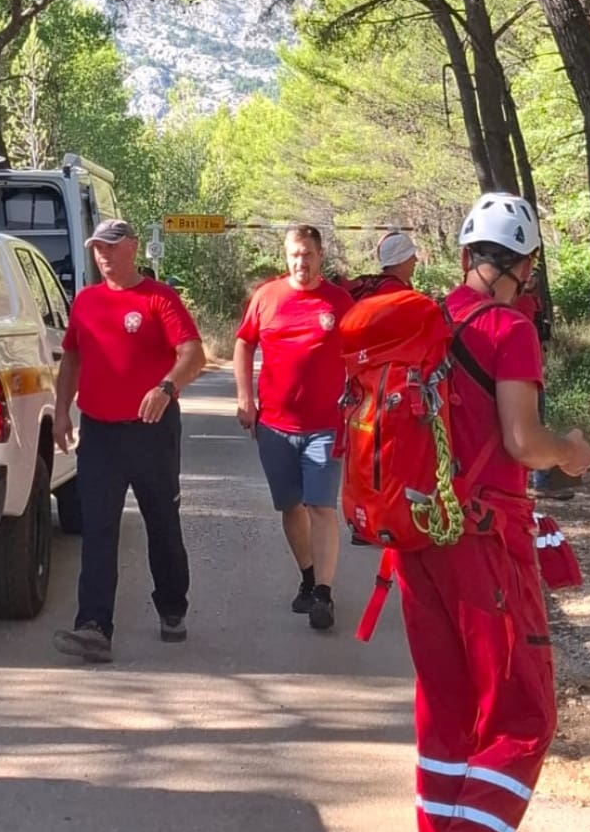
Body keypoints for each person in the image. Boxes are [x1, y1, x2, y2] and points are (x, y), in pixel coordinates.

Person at [398, 192, 590, 832]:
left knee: (448, 712)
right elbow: (522, 441)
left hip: (415, 537)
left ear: (464, 256)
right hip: (483, 542)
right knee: (523, 717)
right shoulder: (508, 330)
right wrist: (568, 452)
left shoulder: (423, 319)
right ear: (526, 266)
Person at [52, 219, 206, 663]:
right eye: (98, 248)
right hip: (99, 433)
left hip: (151, 431)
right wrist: (63, 411)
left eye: (113, 247)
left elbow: (192, 353)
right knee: (98, 529)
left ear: (133, 248)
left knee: (162, 522)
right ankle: (94, 626)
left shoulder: (159, 298)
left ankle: (172, 606)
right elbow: (72, 358)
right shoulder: (86, 301)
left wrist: (167, 388)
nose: (104, 255)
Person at [233, 225, 354, 631]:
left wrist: (361, 404)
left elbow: (361, 353)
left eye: (307, 254)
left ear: (320, 256)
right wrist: (245, 398)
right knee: (290, 506)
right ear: (286, 257)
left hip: (326, 425)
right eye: (293, 254)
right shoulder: (267, 298)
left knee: (321, 506)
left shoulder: (339, 302)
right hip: (275, 426)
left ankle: (323, 593)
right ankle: (307, 574)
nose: (300, 261)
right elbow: (244, 343)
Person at [340, 231, 419, 301]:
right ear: (400, 261)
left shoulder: (376, 284)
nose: (416, 260)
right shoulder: (396, 292)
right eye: (412, 256)